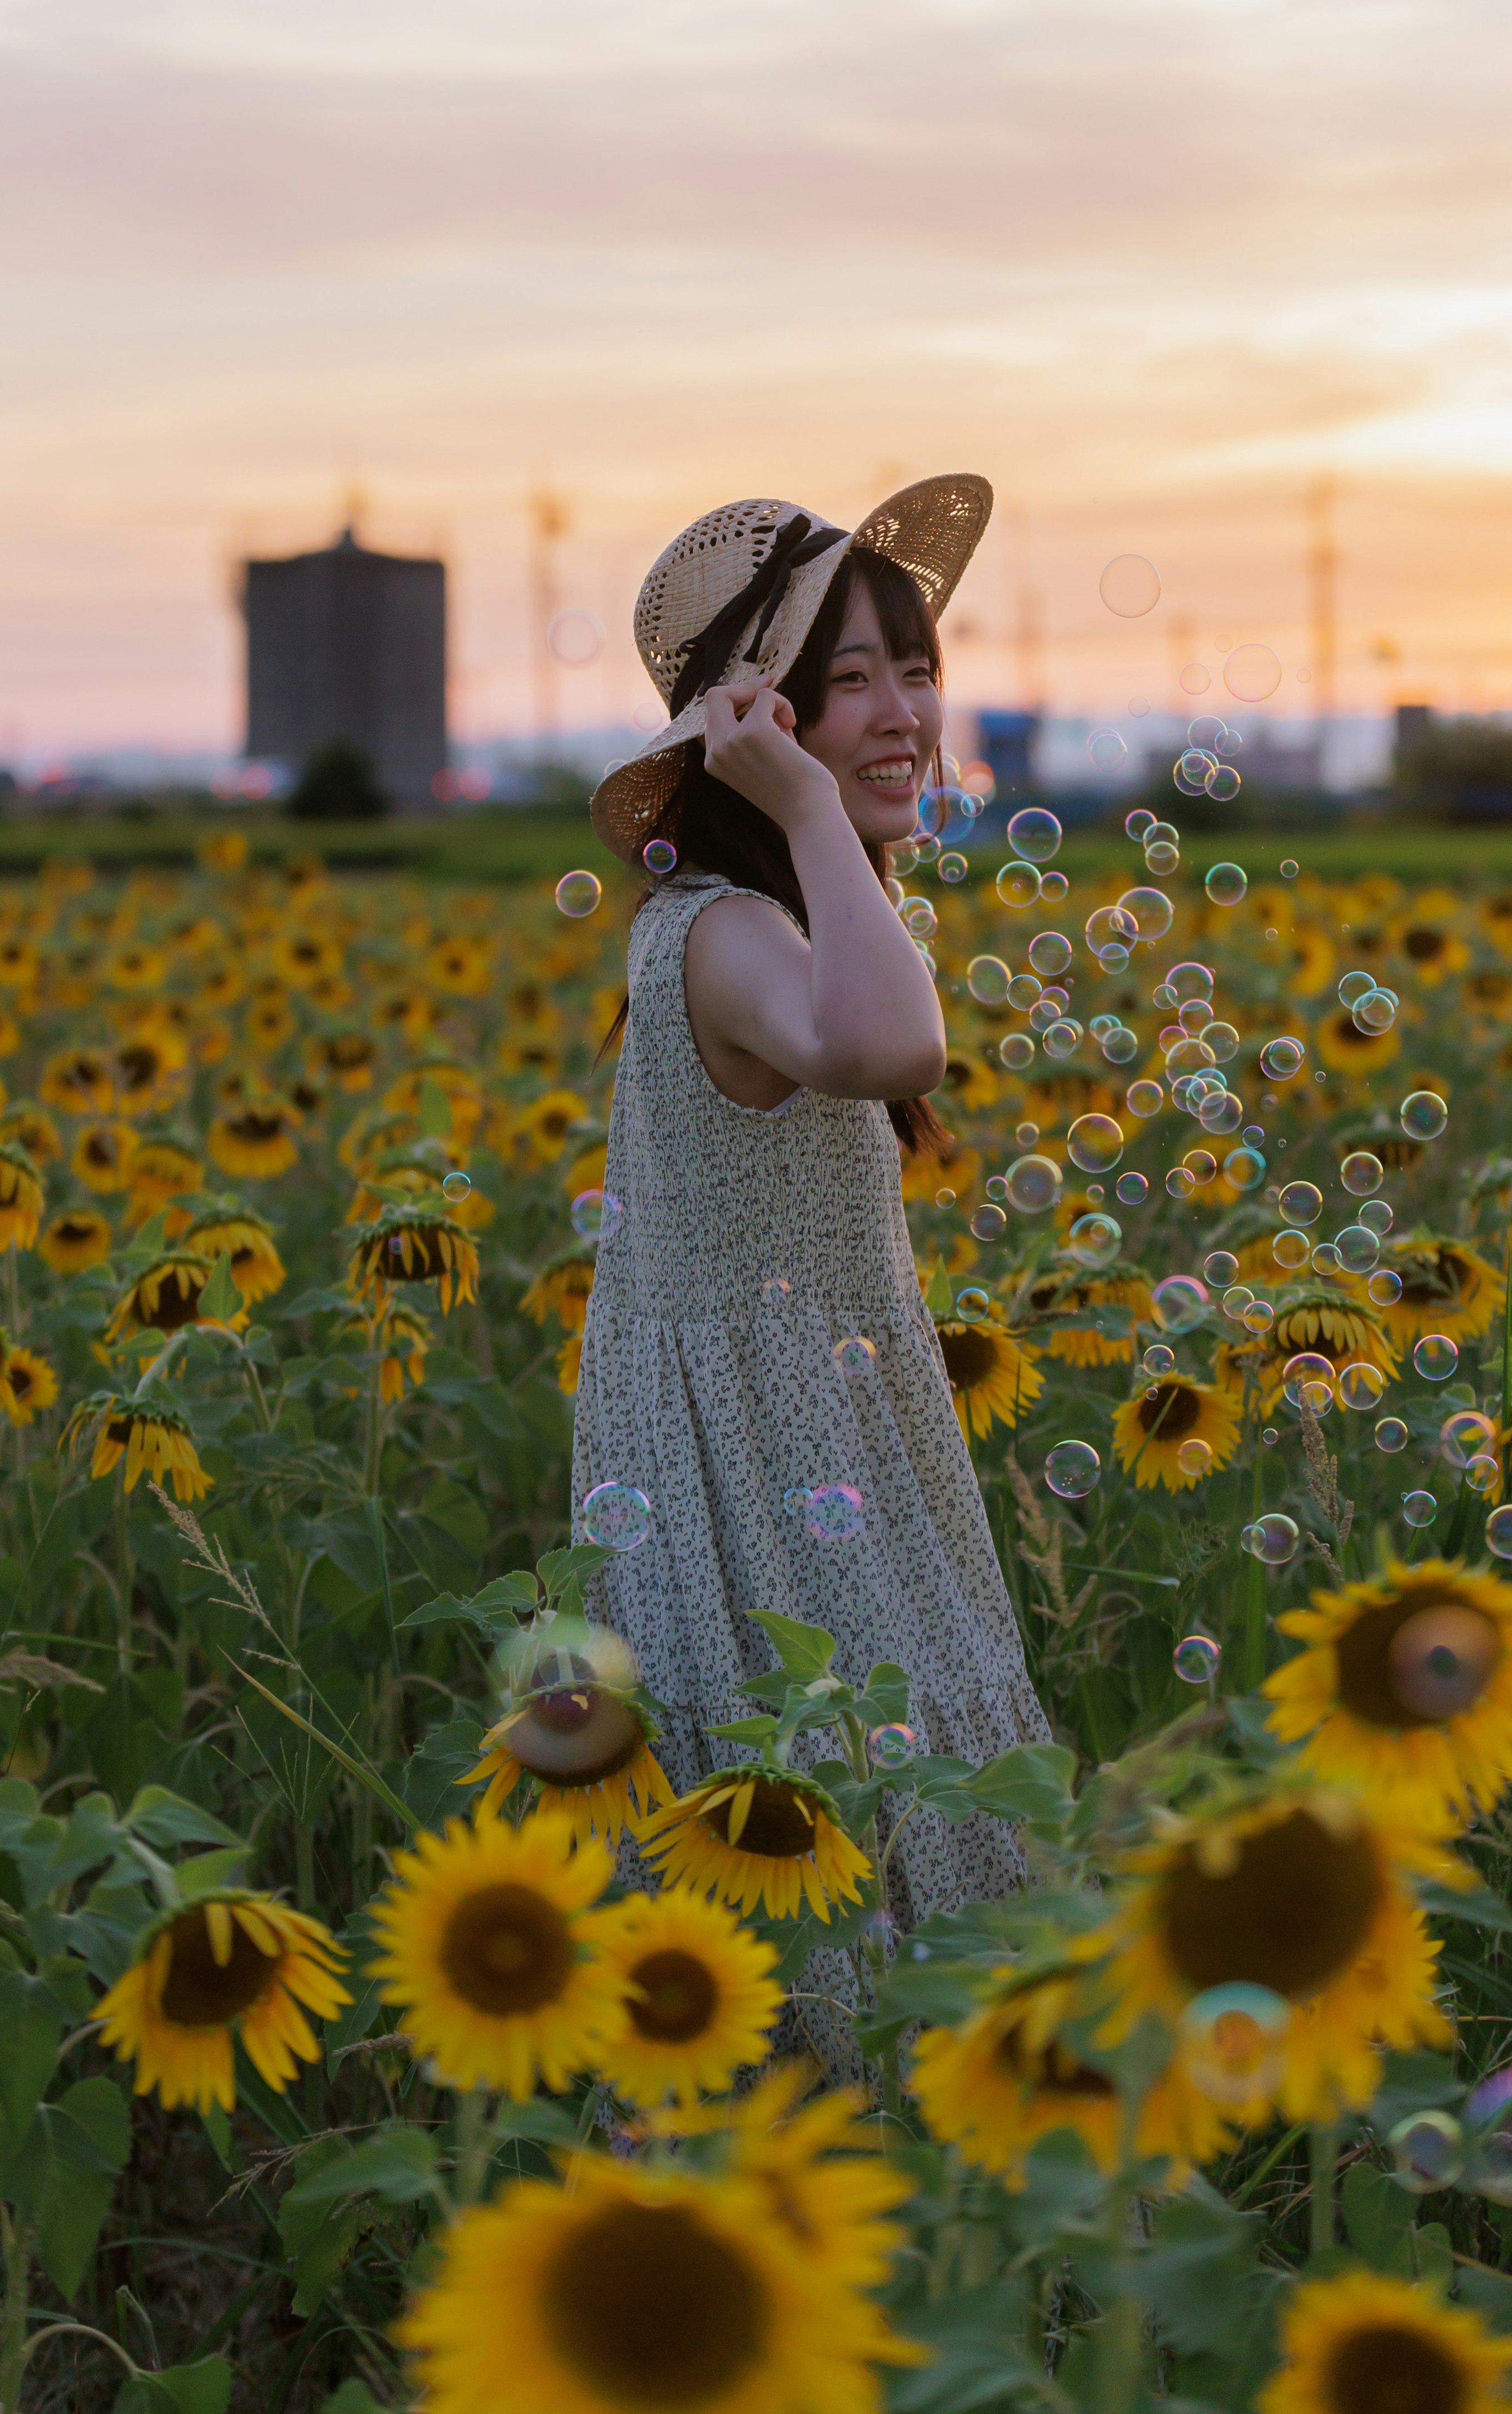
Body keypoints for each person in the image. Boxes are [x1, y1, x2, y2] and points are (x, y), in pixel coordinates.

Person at [572, 477, 1050, 1982]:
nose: (906, 711)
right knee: (850, 1822)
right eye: (849, 681)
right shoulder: (721, 931)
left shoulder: (771, 914)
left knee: (883, 1803)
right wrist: (801, 811)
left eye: (917, 668)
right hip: (772, 1463)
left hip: (824, 1418)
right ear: (754, 722)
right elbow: (894, 1049)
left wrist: (816, 829)